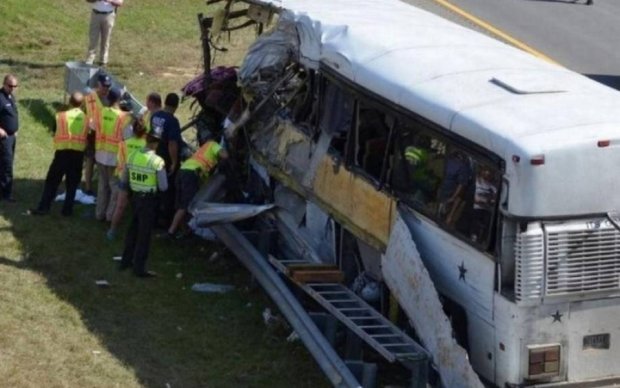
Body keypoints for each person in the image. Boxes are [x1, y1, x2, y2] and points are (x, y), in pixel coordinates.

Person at [118, 126, 168, 278]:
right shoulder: (157, 161)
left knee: (132, 230)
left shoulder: (132, 156)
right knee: (144, 234)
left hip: (135, 198)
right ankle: (139, 268)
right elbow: (164, 186)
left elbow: (124, 180)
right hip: (148, 201)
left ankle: (125, 261)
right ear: (156, 143)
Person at [30, 92, 89, 216]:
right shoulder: (87, 119)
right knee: (72, 184)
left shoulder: (60, 116)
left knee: (52, 181)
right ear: (82, 103)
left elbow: (54, 131)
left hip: (62, 153)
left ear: (70, 101)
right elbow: (89, 135)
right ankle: (67, 211)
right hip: (78, 155)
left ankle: (44, 207)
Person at [166, 139, 228, 238]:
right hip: (191, 174)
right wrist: (228, 155)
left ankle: (183, 231)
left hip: (183, 171)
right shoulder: (213, 144)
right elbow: (225, 155)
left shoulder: (203, 150)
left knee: (181, 204)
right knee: (187, 205)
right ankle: (172, 231)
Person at [106, 114, 147, 239]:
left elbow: (120, 160)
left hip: (124, 176)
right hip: (140, 178)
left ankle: (112, 231)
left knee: (120, 206)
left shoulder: (124, 144)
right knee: (139, 207)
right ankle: (139, 233)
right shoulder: (146, 145)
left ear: (133, 129)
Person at [95, 86, 131, 222]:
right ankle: (110, 216)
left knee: (102, 186)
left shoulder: (100, 112)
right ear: (119, 99)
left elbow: (93, 127)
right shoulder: (124, 117)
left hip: (100, 154)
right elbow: (127, 137)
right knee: (114, 186)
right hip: (114, 157)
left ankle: (99, 214)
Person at [151, 93, 181, 226]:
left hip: (154, 155)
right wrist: (174, 162)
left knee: (155, 187)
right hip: (165, 159)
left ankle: (152, 214)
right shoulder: (172, 121)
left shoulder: (155, 116)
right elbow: (172, 144)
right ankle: (164, 219)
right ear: (176, 106)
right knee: (167, 189)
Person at [84, 72, 112, 196]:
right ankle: (88, 186)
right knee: (90, 160)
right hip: (93, 133)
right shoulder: (89, 97)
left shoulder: (110, 98)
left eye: (108, 86)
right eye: (104, 86)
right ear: (98, 85)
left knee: (103, 161)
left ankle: (104, 186)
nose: (106, 89)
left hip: (106, 134)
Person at [85, 0, 124, 66]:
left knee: (106, 39)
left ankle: (103, 60)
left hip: (109, 15)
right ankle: (90, 59)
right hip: (95, 15)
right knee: (93, 38)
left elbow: (119, 3)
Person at [0, 74, 19, 202]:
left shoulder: (11, 97)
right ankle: (5, 194)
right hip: (3, 137)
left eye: (15, 86)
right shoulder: (0, 97)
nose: (12, 88)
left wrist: (15, 129)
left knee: (8, 162)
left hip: (11, 136)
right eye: (10, 86)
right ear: (4, 84)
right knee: (6, 165)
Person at [470, 167, 498, 243]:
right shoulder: (477, 181)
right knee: (475, 223)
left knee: (485, 225)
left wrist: (487, 201)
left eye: (490, 172)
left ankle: (481, 239)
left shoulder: (494, 186)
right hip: (476, 208)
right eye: (486, 171)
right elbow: (475, 198)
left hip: (487, 210)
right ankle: (473, 236)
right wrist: (485, 200)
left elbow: (495, 199)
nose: (487, 173)